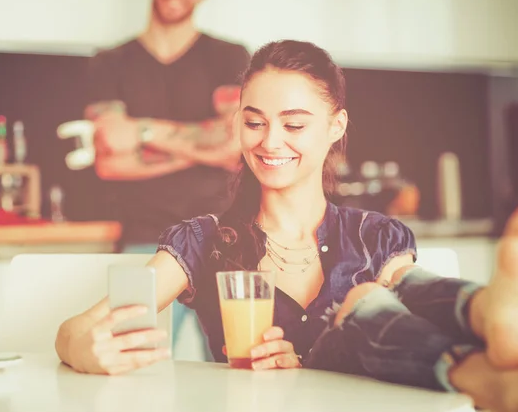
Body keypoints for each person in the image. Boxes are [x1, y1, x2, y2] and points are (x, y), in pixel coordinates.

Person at [58, 39, 518, 412]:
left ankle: (485, 311)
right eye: (254, 122)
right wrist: (82, 349)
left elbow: (410, 329)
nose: (270, 141)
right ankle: (475, 353)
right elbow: (78, 328)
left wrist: (307, 362)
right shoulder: (203, 241)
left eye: (294, 125)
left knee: (383, 294)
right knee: (365, 300)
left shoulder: (376, 236)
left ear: (336, 127)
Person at [84, 0, 250, 359]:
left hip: (225, 241)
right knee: (135, 377)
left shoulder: (230, 57)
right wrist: (205, 149)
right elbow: (110, 160)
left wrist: (143, 132)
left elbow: (233, 143)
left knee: (240, 374)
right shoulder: (109, 62)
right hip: (146, 241)